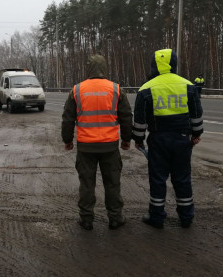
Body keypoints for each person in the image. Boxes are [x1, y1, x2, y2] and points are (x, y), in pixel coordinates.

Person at [132, 49, 203, 229]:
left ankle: (157, 217)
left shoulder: (146, 89)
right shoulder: (188, 86)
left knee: (157, 179)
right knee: (182, 178)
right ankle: (186, 217)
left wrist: (138, 139)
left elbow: (140, 120)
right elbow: (196, 114)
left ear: (154, 65)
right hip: (182, 140)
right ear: (174, 63)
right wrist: (196, 134)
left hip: (158, 140)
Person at [62, 54, 133, 230]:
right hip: (110, 146)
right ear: (104, 68)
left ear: (89, 69)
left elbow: (68, 118)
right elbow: (126, 117)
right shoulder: (116, 89)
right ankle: (115, 218)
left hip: (86, 148)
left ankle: (86, 219)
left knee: (86, 184)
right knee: (112, 183)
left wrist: (67, 140)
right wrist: (126, 140)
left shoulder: (77, 90)